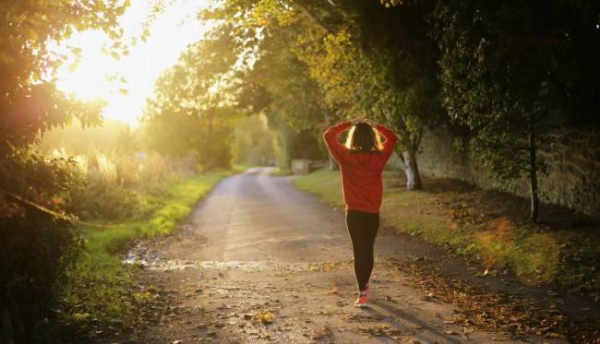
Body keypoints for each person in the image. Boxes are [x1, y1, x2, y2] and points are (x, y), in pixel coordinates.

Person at [323, 118, 399, 308]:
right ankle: (365, 287)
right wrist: (377, 125)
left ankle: (362, 293)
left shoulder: (346, 157)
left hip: (354, 214)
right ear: (372, 138)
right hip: (372, 213)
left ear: (353, 137)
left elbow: (328, 135)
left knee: (359, 251)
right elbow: (393, 138)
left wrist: (348, 123)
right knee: (368, 249)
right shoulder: (379, 158)